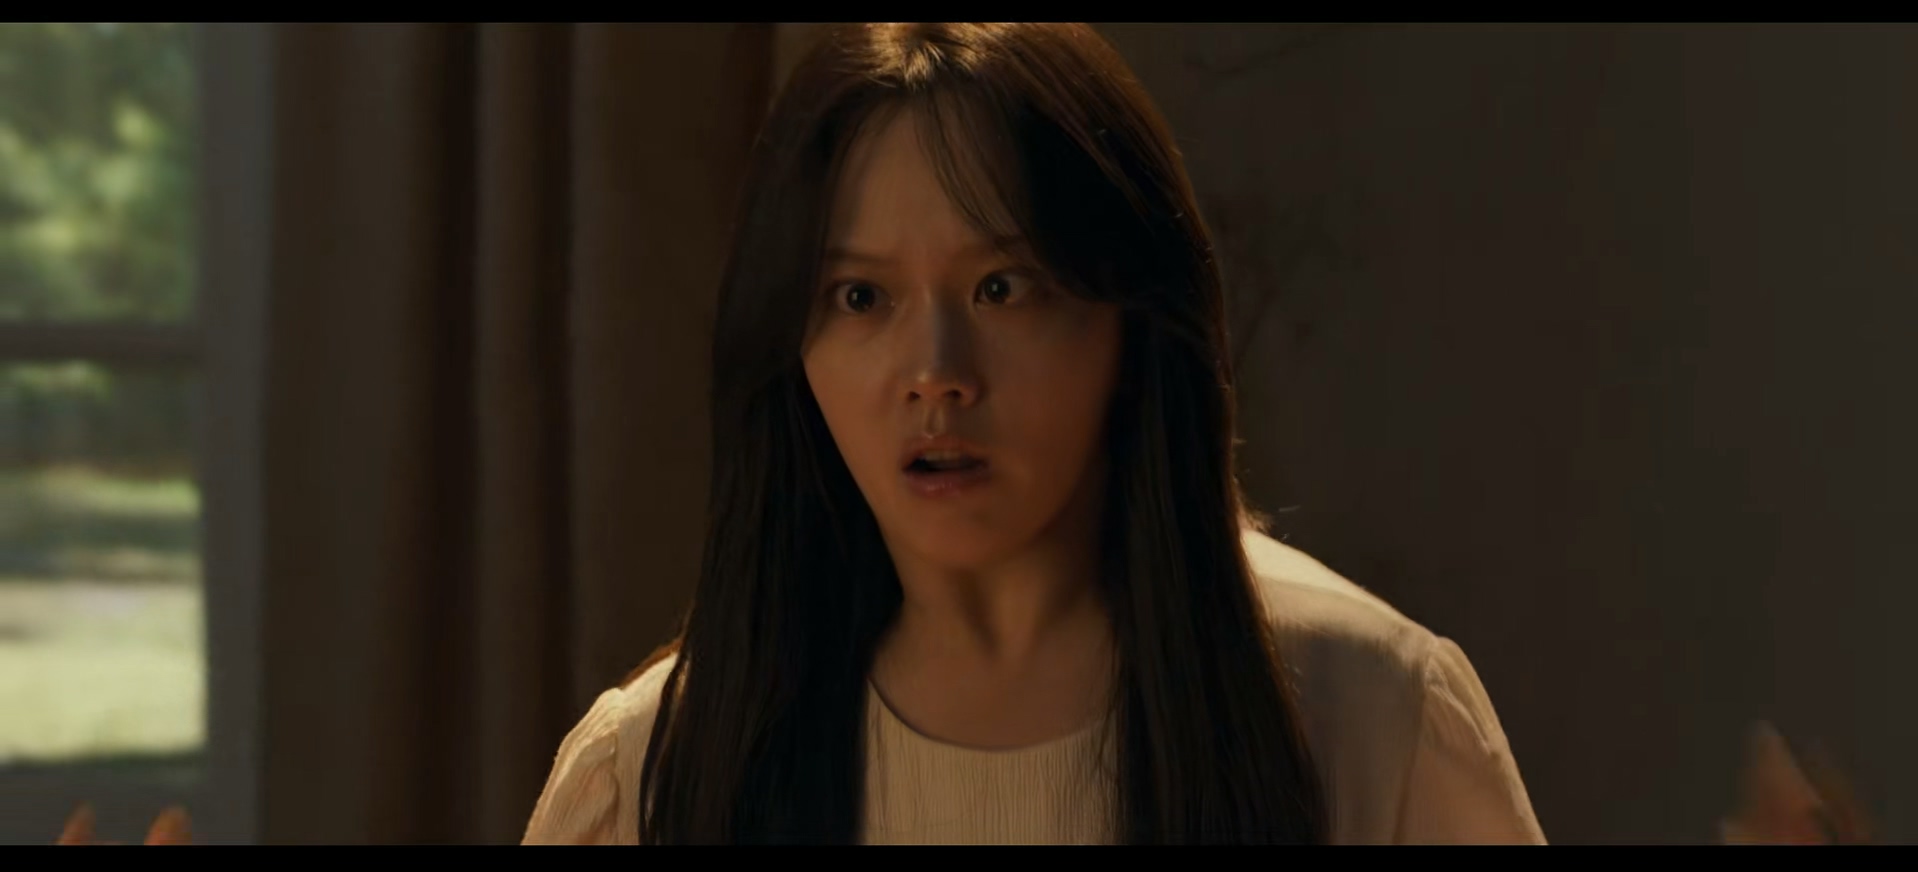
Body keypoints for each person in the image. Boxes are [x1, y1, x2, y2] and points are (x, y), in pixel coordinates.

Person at [522, 22, 1539, 846]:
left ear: (1132, 319)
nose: (936, 372)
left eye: (1002, 287)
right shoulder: (659, 773)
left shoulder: (1368, 715)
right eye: (861, 296)